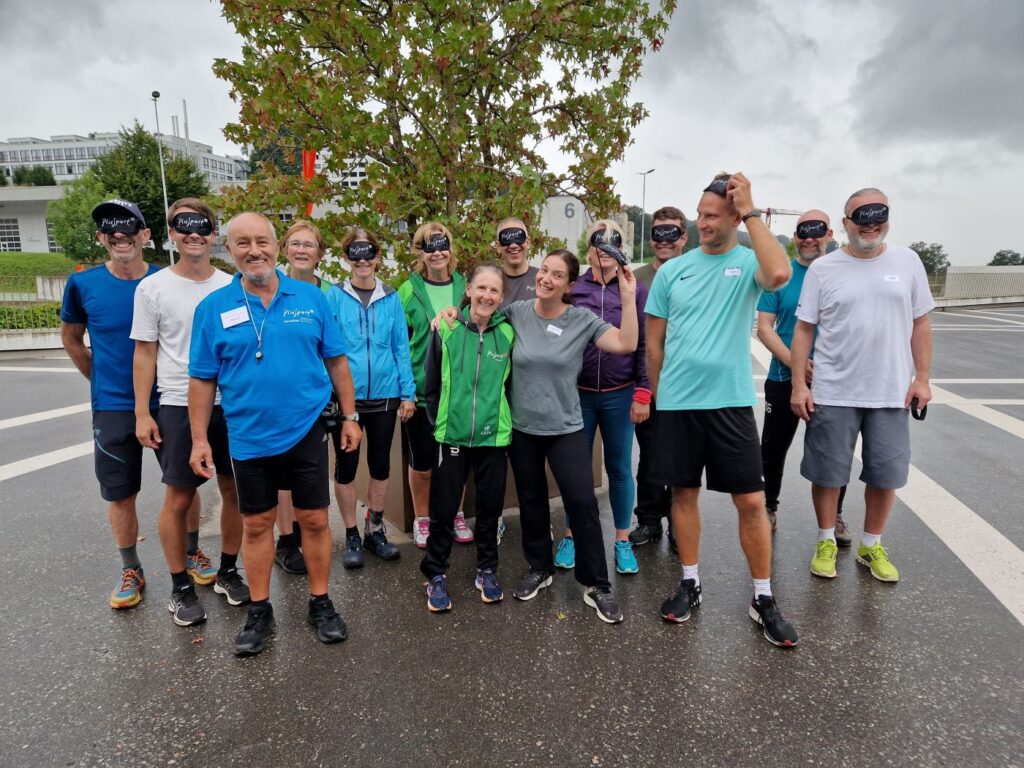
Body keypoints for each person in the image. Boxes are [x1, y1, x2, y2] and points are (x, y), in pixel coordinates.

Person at [188, 212, 361, 656]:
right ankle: (260, 610)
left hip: (305, 428)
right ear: (229, 249)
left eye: (262, 241)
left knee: (316, 520)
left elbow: (337, 360)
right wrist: (200, 439)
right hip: (248, 434)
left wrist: (350, 417)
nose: (254, 251)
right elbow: (202, 379)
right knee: (257, 524)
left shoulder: (310, 298)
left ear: (276, 246)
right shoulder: (213, 308)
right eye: (243, 243)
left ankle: (320, 603)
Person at [646, 173, 799, 648]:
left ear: (735, 219)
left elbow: (780, 274)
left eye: (712, 216)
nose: (702, 223)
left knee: (751, 501)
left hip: (730, 403)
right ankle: (689, 582)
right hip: (679, 404)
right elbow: (654, 343)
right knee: (683, 495)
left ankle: (763, 596)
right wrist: (661, 396)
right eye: (700, 214)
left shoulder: (749, 262)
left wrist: (751, 210)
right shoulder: (673, 271)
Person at [791, 188, 934, 583]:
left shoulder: (908, 262)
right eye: (862, 220)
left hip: (891, 391)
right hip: (834, 390)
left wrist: (922, 378)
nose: (870, 227)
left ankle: (872, 545)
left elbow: (921, 322)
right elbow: (804, 329)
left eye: (878, 220)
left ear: (886, 220)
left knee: (885, 474)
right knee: (827, 473)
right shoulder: (824, 269)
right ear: (845, 224)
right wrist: (799, 386)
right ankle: (826, 540)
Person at [497, 250, 638, 623]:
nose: (546, 278)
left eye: (557, 275)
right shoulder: (517, 312)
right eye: (544, 270)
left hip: (566, 428)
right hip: (523, 428)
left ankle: (596, 585)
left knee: (582, 502)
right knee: (531, 501)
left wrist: (627, 298)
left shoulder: (581, 320)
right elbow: (479, 319)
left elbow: (625, 343)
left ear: (570, 285)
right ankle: (539, 568)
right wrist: (450, 313)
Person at [131, 198, 249, 627]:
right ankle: (180, 587)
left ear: (213, 234)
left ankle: (228, 571)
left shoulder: (233, 285)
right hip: (179, 403)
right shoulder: (153, 288)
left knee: (236, 491)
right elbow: (145, 353)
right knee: (180, 497)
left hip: (232, 404)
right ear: (171, 234)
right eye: (184, 226)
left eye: (202, 226)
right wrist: (143, 413)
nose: (194, 234)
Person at [60, 198, 181, 609]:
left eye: (127, 226)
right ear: (101, 237)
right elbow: (71, 338)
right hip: (113, 406)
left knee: (181, 483)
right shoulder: (83, 284)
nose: (118, 233)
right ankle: (131, 569)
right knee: (120, 493)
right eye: (109, 227)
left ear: (145, 234)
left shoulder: (167, 280)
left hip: (167, 398)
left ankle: (193, 552)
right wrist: (99, 379)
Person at [552, 220, 649, 576]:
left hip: (619, 393)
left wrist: (643, 391)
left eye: (614, 240)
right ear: (588, 247)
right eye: (599, 240)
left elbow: (642, 343)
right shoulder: (575, 288)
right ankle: (571, 535)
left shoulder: (634, 288)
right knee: (575, 470)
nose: (606, 247)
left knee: (619, 468)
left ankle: (622, 540)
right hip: (577, 393)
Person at [420, 264, 515, 611]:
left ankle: (487, 570)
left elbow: (512, 385)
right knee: (444, 511)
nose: (487, 296)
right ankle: (435, 573)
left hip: (494, 438)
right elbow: (431, 382)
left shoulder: (508, 334)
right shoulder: (446, 328)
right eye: (481, 288)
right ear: (469, 290)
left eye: (494, 290)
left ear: (501, 297)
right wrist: (440, 423)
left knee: (489, 509)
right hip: (452, 437)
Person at [327, 227, 416, 568]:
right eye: (355, 253)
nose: (362, 260)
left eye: (368, 253)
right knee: (346, 467)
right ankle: (351, 534)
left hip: (385, 395)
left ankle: (374, 530)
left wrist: (407, 393)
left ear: (377, 257)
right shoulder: (334, 297)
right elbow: (326, 349)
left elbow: (400, 348)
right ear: (346, 257)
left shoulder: (391, 297)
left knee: (380, 464)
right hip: (347, 398)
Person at [757, 210, 848, 540]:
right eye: (802, 232)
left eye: (816, 231)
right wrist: (796, 362)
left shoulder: (844, 273)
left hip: (833, 379)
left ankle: (835, 516)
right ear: (795, 236)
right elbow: (764, 327)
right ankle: (768, 507)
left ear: (830, 234)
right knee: (773, 448)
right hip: (783, 378)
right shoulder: (781, 275)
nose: (809, 238)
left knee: (834, 452)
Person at [397, 223, 470, 548]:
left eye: (442, 245)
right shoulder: (407, 291)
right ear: (420, 252)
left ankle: (456, 514)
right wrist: (406, 392)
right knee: (423, 463)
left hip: (458, 391)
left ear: (450, 249)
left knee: (457, 461)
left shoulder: (466, 287)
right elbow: (399, 345)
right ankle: (423, 519)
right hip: (421, 393)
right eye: (429, 246)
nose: (437, 252)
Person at [271, 220, 337, 576]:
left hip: (322, 395)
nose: (301, 250)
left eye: (308, 244)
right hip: (283, 397)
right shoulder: (272, 289)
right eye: (294, 243)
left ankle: (309, 534)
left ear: (320, 253)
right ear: (284, 249)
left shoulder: (330, 294)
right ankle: (286, 539)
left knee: (311, 472)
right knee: (282, 474)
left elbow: (338, 349)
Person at [629, 207, 688, 550]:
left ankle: (680, 522)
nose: (664, 241)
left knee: (681, 457)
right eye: (658, 233)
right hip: (647, 382)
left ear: (684, 237)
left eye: (671, 233)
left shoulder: (695, 273)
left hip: (686, 384)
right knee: (650, 455)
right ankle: (649, 519)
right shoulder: (634, 278)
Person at [495, 217, 539, 307]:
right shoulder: (489, 281)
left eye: (518, 238)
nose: (513, 245)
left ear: (528, 243)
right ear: (498, 246)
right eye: (506, 239)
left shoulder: (542, 280)